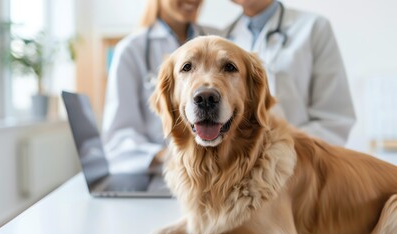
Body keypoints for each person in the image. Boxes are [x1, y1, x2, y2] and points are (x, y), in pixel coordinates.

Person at [102, 0, 217, 172]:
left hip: (221, 171)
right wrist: (169, 156)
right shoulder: (130, 51)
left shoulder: (221, 40)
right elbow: (119, 138)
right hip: (161, 173)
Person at [224, 0, 356, 146]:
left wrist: (282, 148)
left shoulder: (313, 27)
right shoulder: (222, 37)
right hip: (240, 164)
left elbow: (333, 120)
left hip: (302, 159)